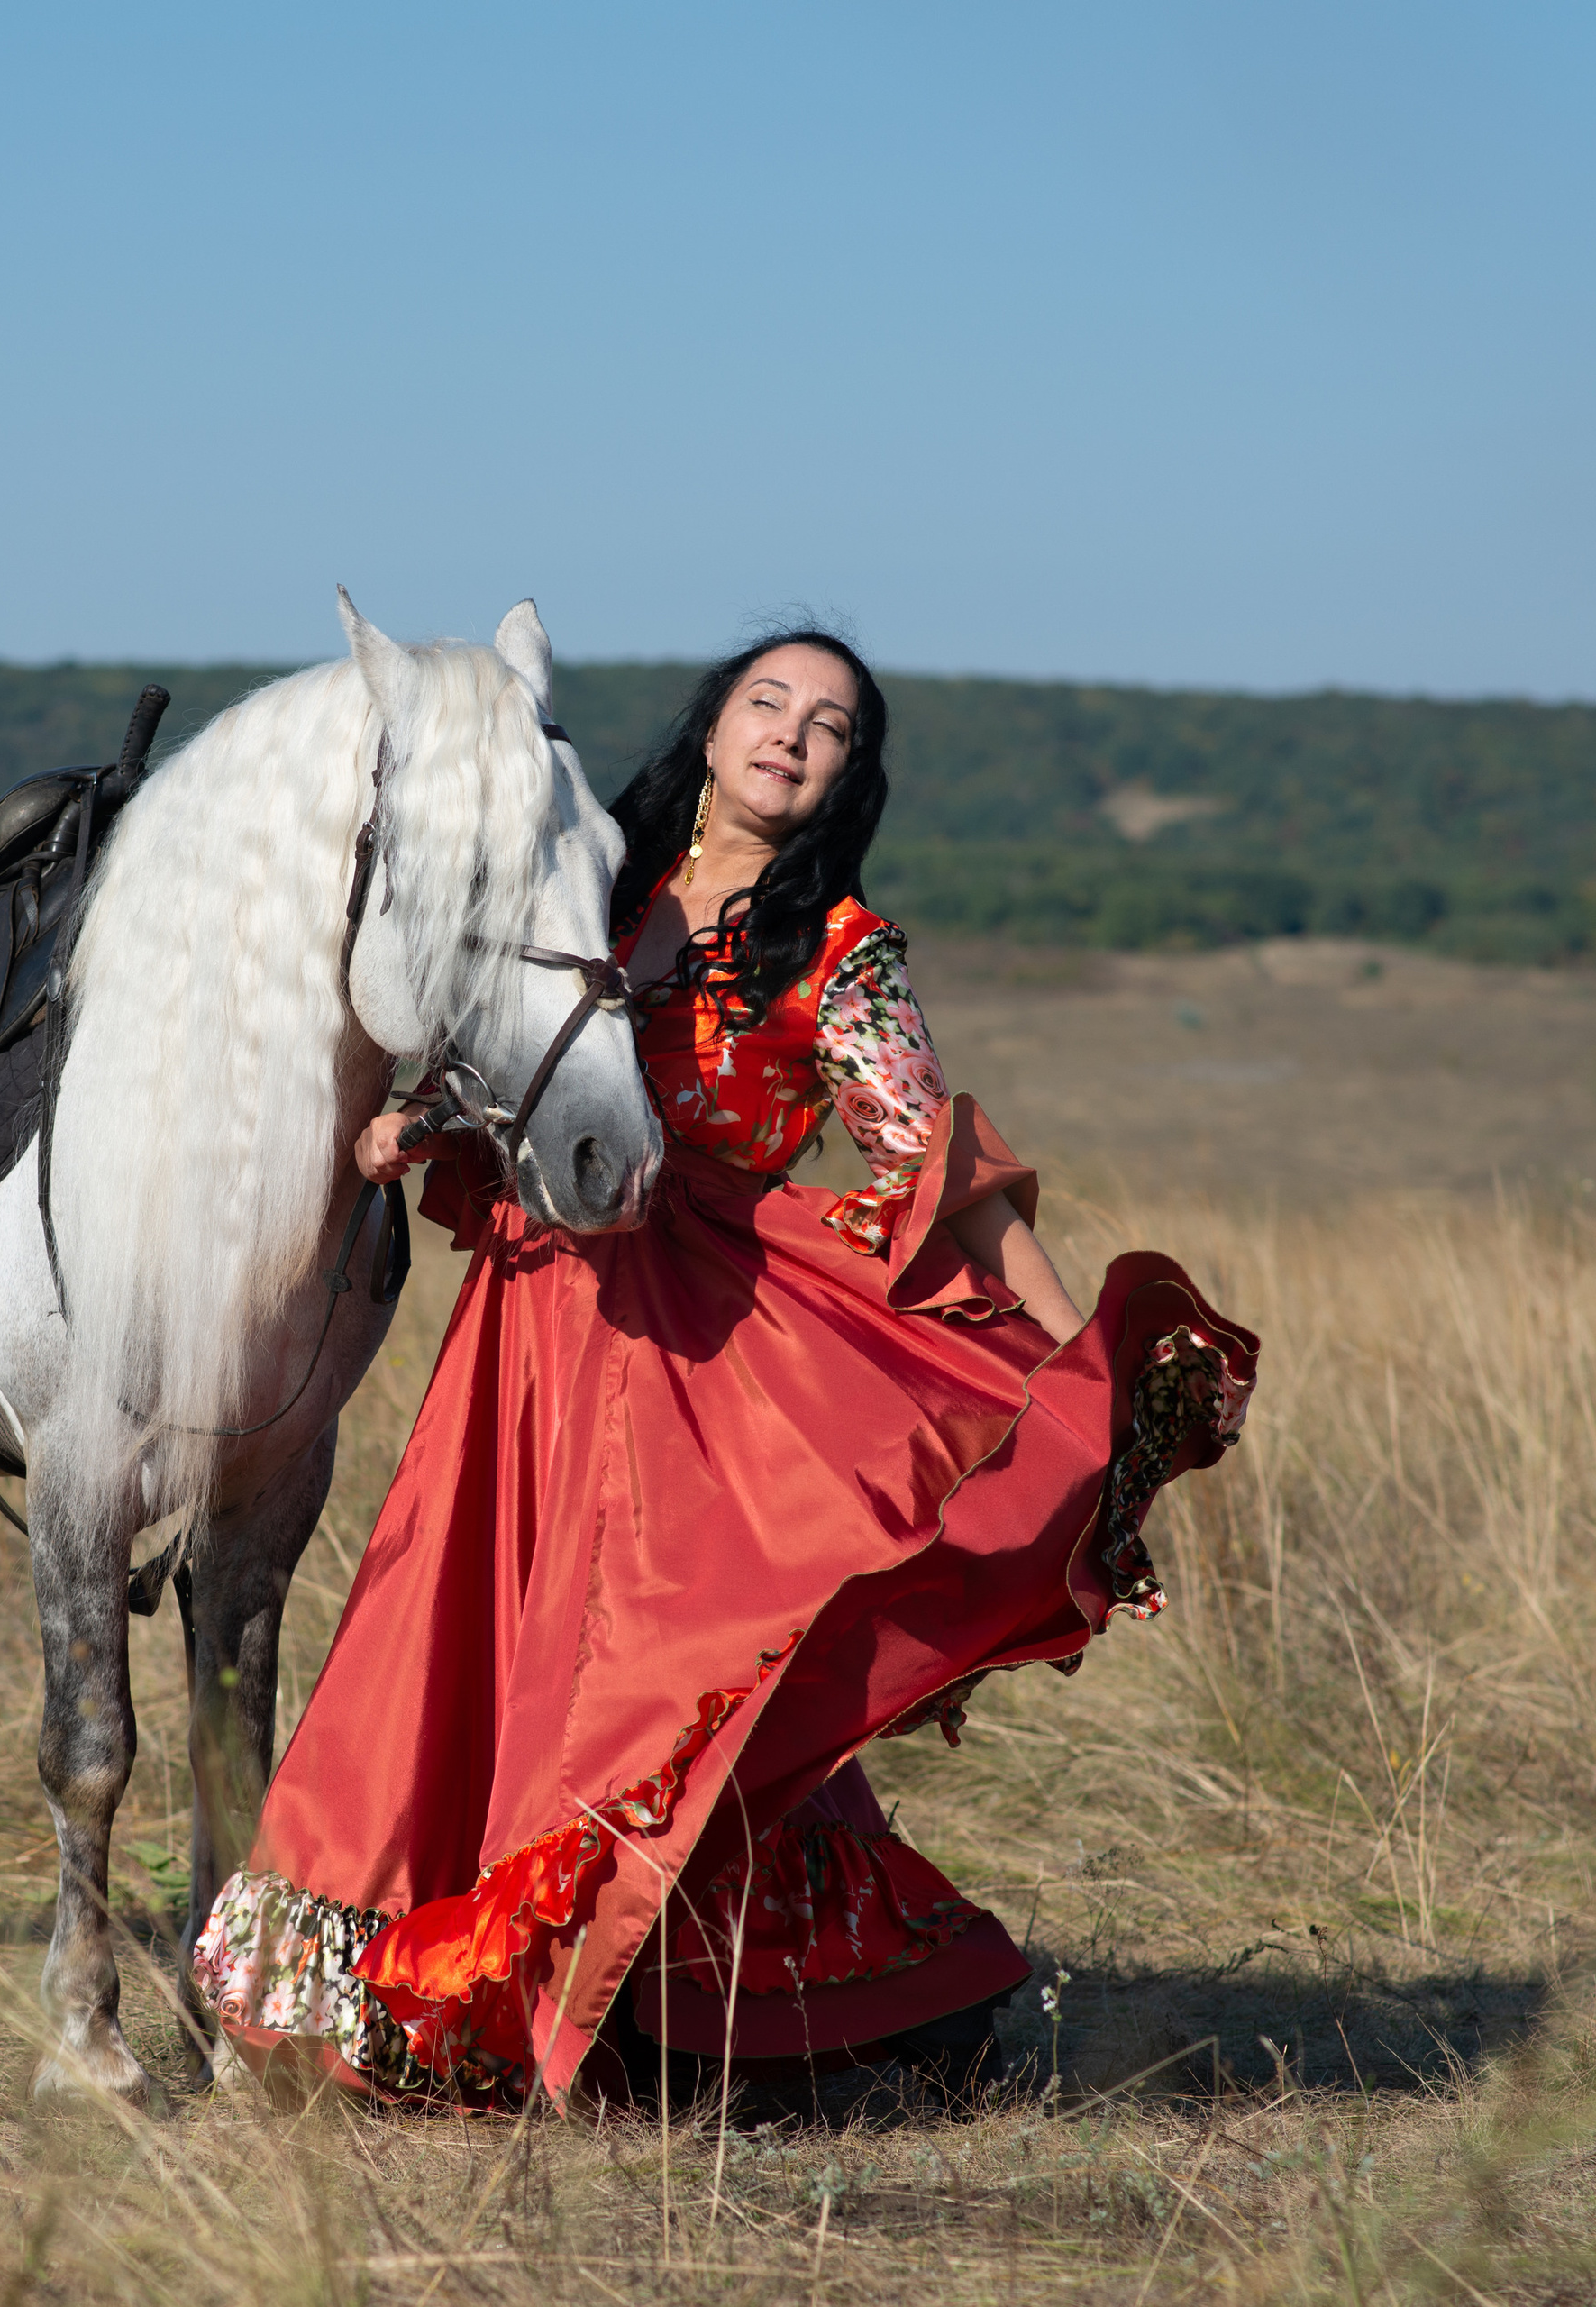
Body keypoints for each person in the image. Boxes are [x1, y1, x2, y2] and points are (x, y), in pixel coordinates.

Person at [192, 630, 1257, 2105]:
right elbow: (504, 1037)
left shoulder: (840, 951)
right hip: (531, 1327)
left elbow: (936, 1163)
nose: (791, 735)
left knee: (649, 1677)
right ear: (713, 724)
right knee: (456, 1634)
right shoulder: (595, 873)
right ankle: (414, 1986)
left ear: (846, 775)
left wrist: (1073, 1352)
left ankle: (634, 1996)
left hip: (698, 1356)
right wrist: (414, 1124)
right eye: (769, 702)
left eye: (830, 726)